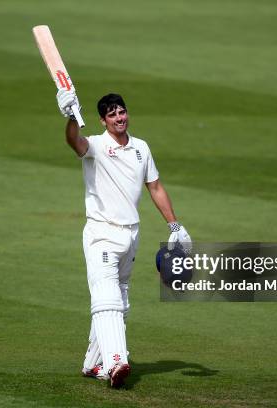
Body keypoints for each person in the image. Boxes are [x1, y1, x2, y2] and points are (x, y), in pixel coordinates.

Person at [57, 89, 192, 388]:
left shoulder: (141, 148)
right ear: (103, 120)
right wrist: (70, 117)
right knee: (107, 296)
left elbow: (154, 187)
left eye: (122, 111)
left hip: (131, 235)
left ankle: (93, 363)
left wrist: (174, 226)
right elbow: (73, 141)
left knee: (121, 300)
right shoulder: (95, 146)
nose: (119, 118)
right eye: (112, 114)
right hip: (102, 234)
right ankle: (117, 361)